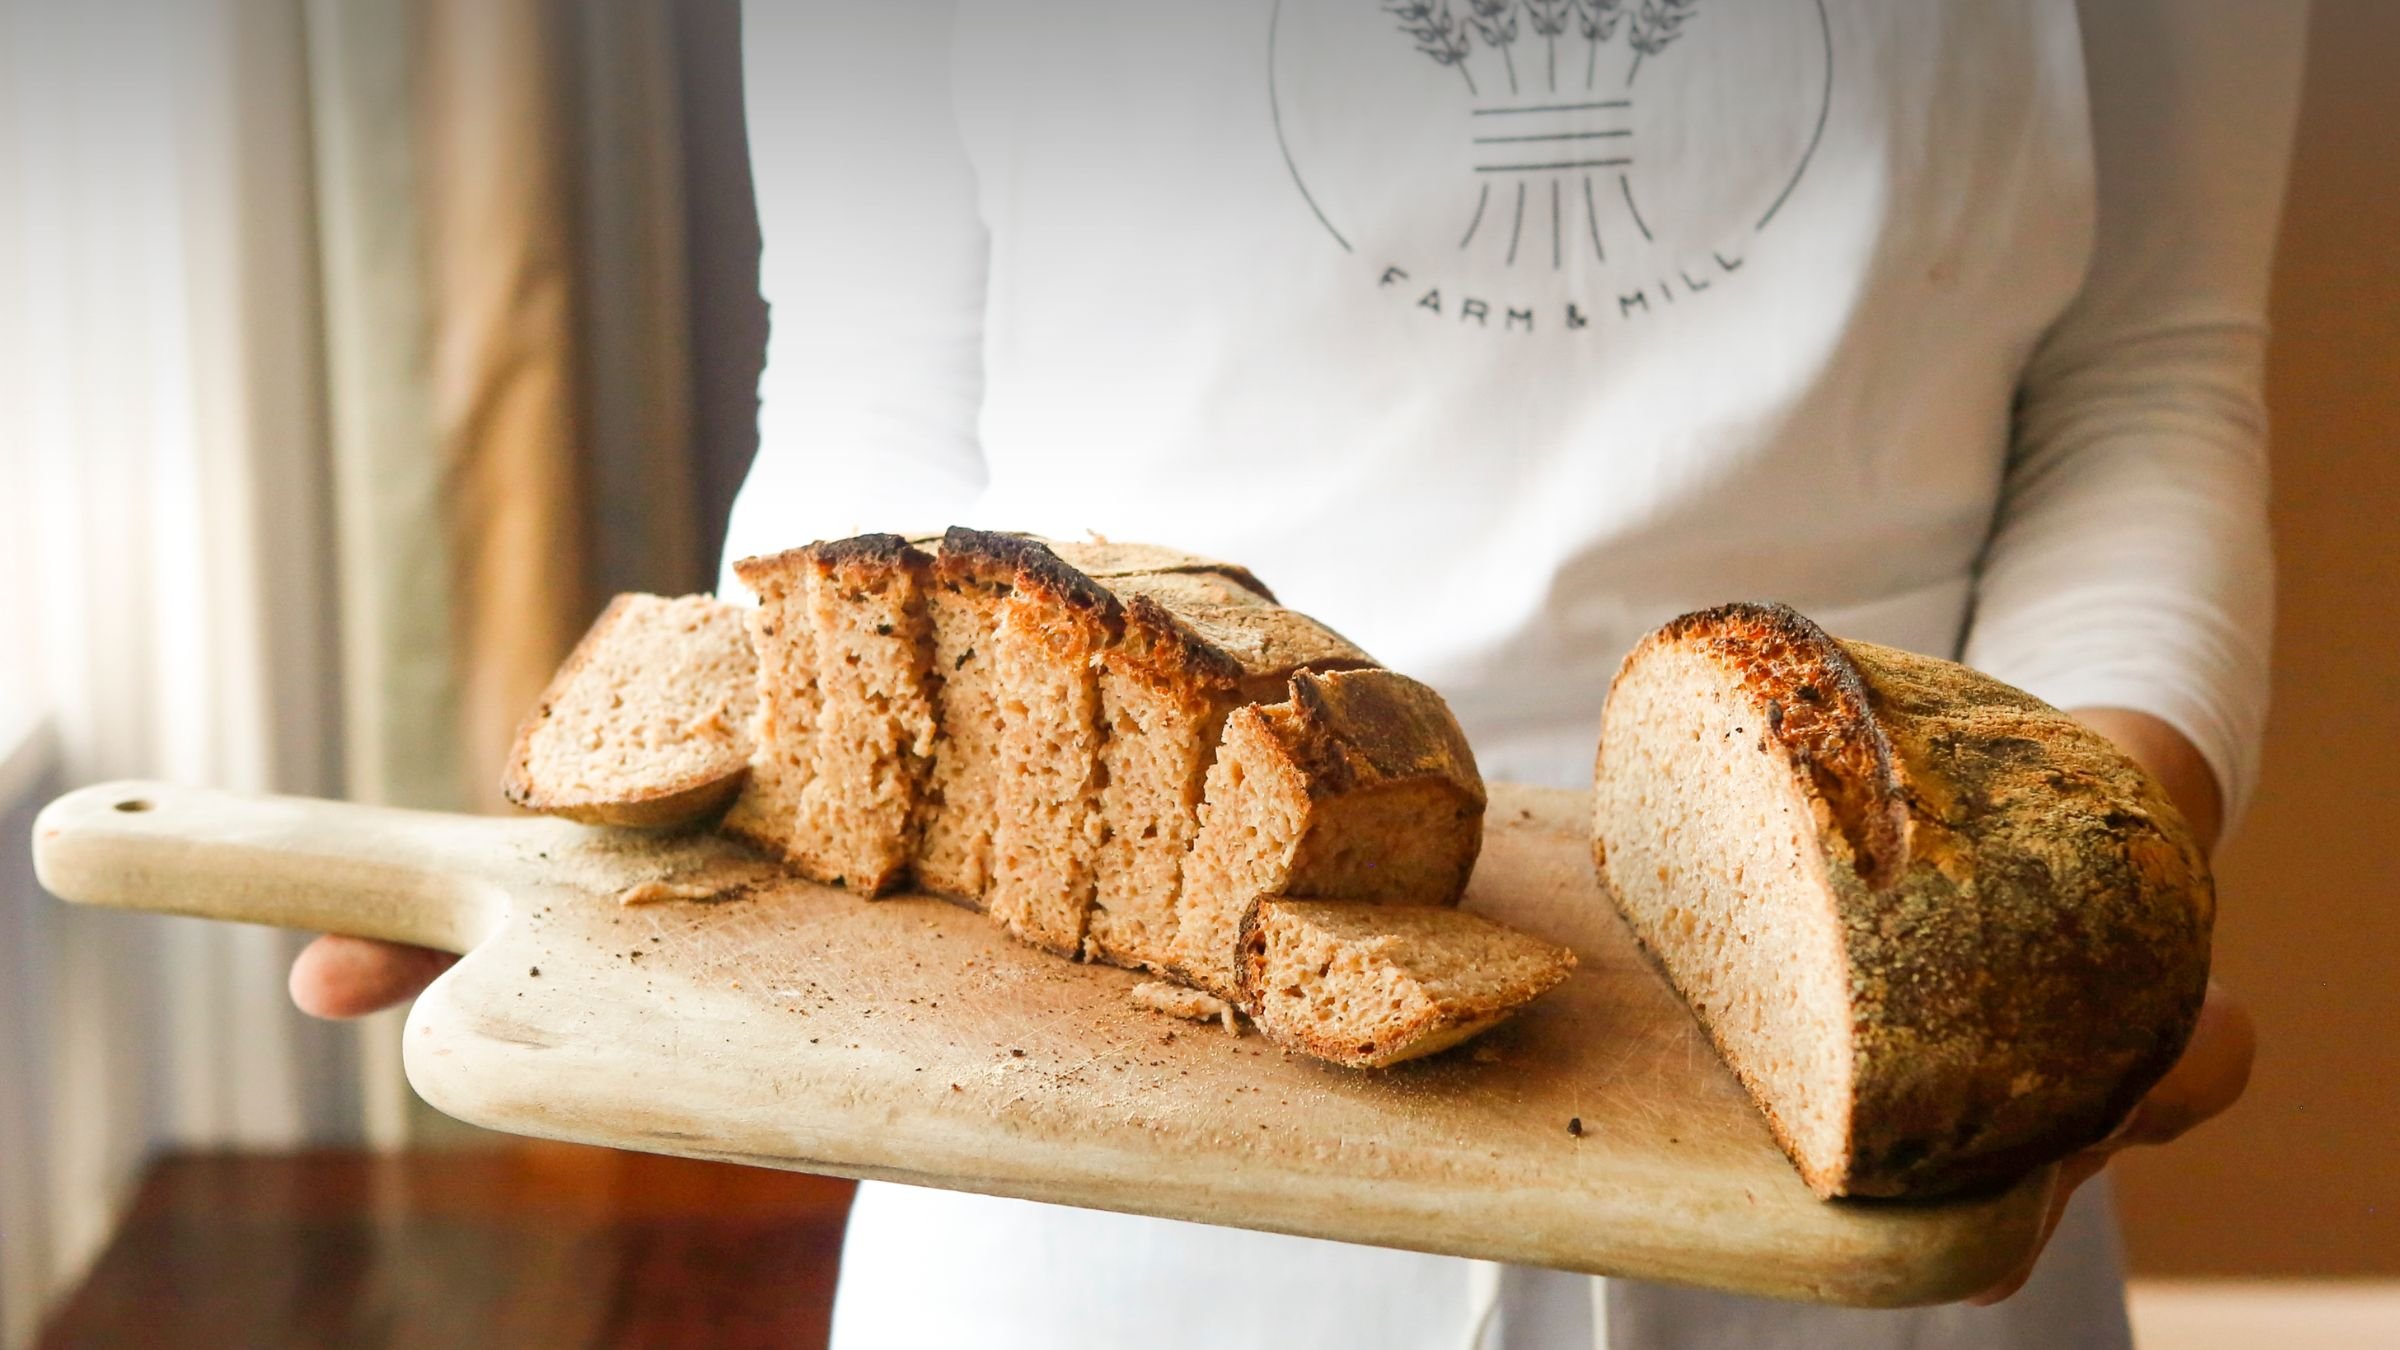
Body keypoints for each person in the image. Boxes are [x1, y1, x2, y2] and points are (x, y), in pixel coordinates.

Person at [292, 1, 2297, 1344]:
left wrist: (2060, 929)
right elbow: (876, 392)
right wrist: (755, 812)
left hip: (1857, 1141)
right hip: (1095, 1131)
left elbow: (2148, 382)